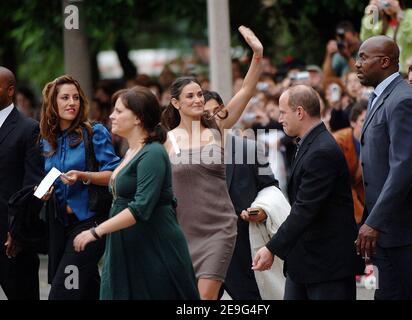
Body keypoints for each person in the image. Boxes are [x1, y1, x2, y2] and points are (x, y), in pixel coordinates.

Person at [161, 26, 263, 300]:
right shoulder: (166, 141)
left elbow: (246, 91)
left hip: (219, 228)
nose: (197, 99)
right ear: (176, 103)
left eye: (199, 94)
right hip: (182, 232)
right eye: (190, 96)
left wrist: (257, 53)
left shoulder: (216, 126)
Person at [73, 86, 199, 300]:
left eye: (119, 111)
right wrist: (85, 175)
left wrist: (95, 232)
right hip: (129, 244)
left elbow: (140, 207)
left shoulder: (153, 153)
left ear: (138, 118)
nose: (112, 115)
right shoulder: (132, 150)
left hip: (154, 247)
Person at [355, 36, 412, 299]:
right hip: (390, 232)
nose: (357, 64)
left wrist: (374, 222)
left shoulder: (404, 101)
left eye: (363, 57)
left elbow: (404, 168)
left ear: (384, 62)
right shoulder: (382, 97)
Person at [253, 85, 359, 300]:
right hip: (305, 263)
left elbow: (305, 209)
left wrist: (271, 248)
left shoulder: (322, 151)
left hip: (327, 267)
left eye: (283, 112)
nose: (280, 118)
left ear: (299, 112)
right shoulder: (309, 144)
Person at [39, 75, 121, 300]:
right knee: (87, 290)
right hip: (59, 225)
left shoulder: (94, 132)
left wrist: (84, 176)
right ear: (53, 103)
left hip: (90, 223)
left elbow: (114, 174)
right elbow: (44, 177)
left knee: (63, 292)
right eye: (64, 98)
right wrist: (43, 192)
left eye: (75, 97)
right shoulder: (46, 139)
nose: (71, 102)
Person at [204, 90, 290, 300]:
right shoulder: (184, 155)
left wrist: (262, 210)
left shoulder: (249, 148)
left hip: (244, 249)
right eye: (206, 115)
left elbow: (270, 187)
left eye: (217, 111)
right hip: (203, 253)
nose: (214, 118)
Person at [0, 66, 44, 300]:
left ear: (10, 91)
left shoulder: (29, 129)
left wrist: (17, 231)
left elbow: (33, 186)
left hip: (12, 240)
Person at [360, 0, 412, 73]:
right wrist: (371, 14)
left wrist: (399, 12)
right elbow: (367, 39)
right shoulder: (383, 24)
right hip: (391, 72)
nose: (387, 4)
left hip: (410, 70)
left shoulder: (410, 14)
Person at [333, 100, 368, 224]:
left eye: (371, 120)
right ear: (353, 122)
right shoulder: (339, 141)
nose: (368, 125)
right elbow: (344, 184)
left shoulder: (376, 140)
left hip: (363, 198)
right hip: (340, 201)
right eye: (364, 121)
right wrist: (361, 218)